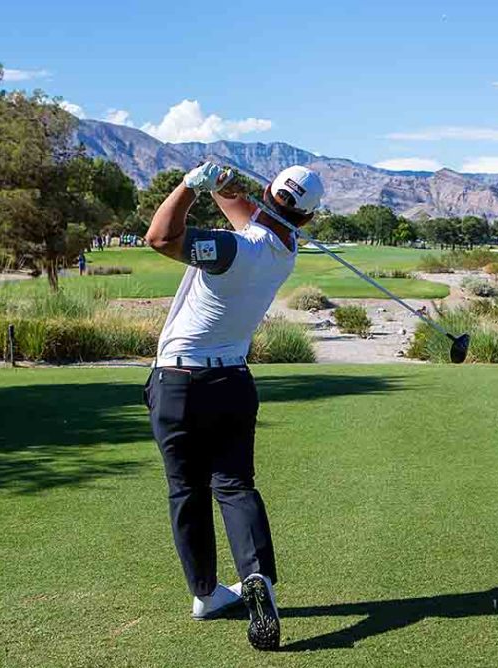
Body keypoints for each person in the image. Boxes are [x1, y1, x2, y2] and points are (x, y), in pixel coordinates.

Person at [143, 160, 323, 651]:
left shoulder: (231, 248)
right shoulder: (285, 249)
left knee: (186, 491)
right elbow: (252, 215)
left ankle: (205, 593)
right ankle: (256, 579)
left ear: (268, 192)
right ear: (306, 219)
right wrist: (222, 187)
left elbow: (159, 238)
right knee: (235, 487)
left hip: (179, 381)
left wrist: (186, 187)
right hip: (233, 382)